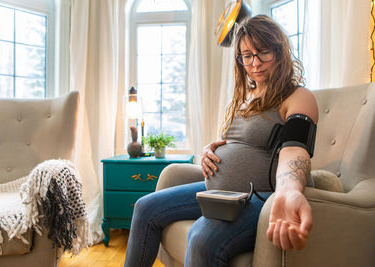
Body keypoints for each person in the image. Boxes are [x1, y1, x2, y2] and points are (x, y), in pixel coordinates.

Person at [124, 14, 318, 267]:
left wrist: (290, 190)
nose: (255, 63)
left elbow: (295, 149)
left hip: (257, 197)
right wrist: (209, 150)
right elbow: (238, 143)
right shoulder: (246, 96)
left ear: (279, 52)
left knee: (202, 237)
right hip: (219, 193)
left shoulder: (298, 96)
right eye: (246, 56)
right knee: (144, 208)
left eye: (262, 53)